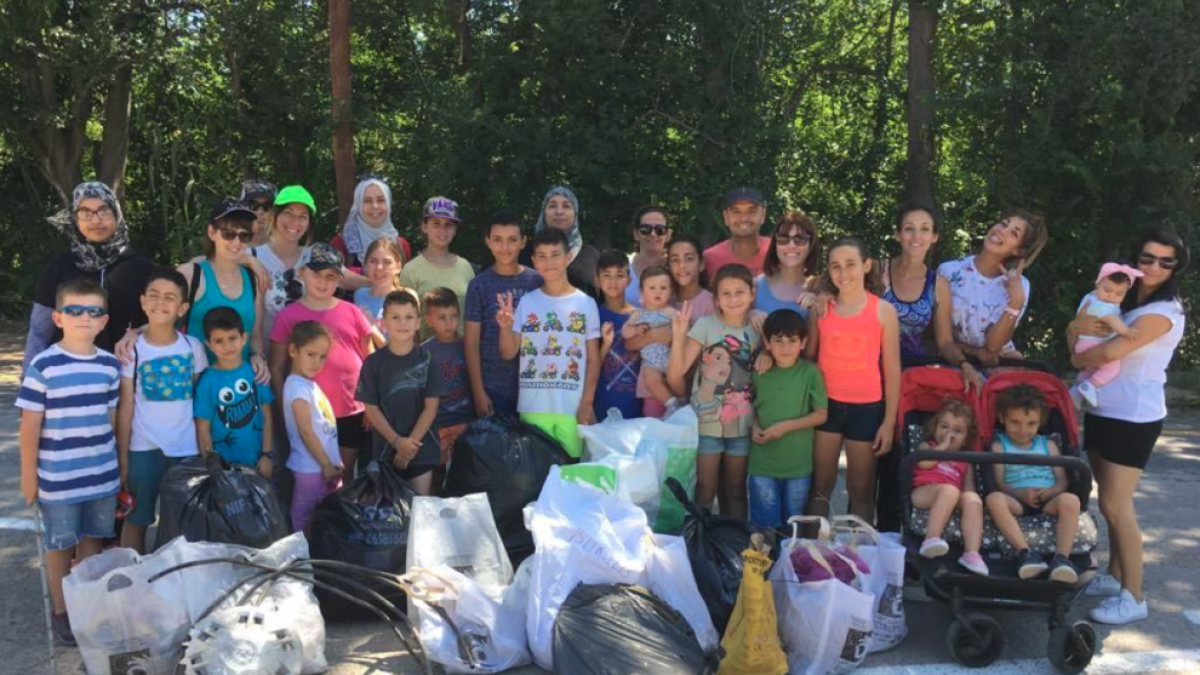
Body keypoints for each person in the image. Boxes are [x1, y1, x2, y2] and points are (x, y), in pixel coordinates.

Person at [1068, 225, 1188, 625]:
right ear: (1135, 261)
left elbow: (1104, 352)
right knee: (1108, 501)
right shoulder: (1123, 300)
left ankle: (1133, 597)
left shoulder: (1162, 313)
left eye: (1165, 261)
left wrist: (1078, 353)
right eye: (1147, 258)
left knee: (1117, 507)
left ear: (1175, 268)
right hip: (1102, 410)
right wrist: (1078, 341)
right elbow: (1076, 331)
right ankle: (1115, 575)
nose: (1154, 266)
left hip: (1133, 417)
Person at [18, 277, 121, 646]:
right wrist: (29, 476)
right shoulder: (44, 366)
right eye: (75, 311)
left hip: (100, 477)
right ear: (59, 318)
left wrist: (115, 468)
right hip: (58, 480)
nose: (84, 318)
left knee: (92, 542)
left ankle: (87, 606)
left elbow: (110, 420)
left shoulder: (109, 366)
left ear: (103, 321)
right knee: (61, 545)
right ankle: (63, 610)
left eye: (93, 311)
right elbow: (29, 426)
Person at [805, 238, 901, 524]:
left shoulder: (884, 311)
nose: (843, 272)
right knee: (820, 486)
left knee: (860, 490)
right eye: (835, 266)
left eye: (850, 264)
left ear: (866, 265)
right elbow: (808, 360)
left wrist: (888, 422)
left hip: (868, 409)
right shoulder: (820, 309)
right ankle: (811, 555)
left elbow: (892, 370)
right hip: (825, 406)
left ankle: (857, 560)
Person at [116, 268, 208, 553]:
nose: (160, 303)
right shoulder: (132, 349)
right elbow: (126, 406)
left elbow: (196, 397)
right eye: (153, 296)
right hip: (143, 448)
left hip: (185, 450)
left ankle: (173, 583)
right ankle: (134, 581)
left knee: (181, 523)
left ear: (182, 308)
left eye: (170, 298)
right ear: (143, 301)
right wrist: (123, 458)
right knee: (138, 518)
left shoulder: (193, 347)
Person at [271, 243, 379, 483]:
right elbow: (277, 368)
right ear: (301, 273)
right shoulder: (287, 317)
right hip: (309, 414)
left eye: (331, 276)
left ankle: (340, 518)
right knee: (312, 474)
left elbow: (370, 359)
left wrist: (372, 404)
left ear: (340, 280)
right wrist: (282, 408)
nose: (323, 282)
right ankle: (310, 521)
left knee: (345, 472)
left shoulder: (352, 311)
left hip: (353, 408)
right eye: (316, 274)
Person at [25, 182, 153, 372]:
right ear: (75, 219)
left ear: (117, 215)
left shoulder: (141, 268)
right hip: (66, 378)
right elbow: (39, 331)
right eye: (85, 212)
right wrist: (30, 379)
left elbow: (160, 323)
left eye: (103, 211)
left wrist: (138, 331)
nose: (95, 221)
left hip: (126, 378)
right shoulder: (60, 268)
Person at [498, 228, 601, 458]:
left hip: (571, 407)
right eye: (542, 256)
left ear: (568, 257)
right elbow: (508, 353)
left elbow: (593, 358)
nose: (549, 261)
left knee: (571, 470)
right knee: (537, 475)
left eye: (555, 254)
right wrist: (505, 328)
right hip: (533, 407)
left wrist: (587, 402)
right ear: (534, 261)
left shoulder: (586, 303)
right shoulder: (527, 301)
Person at [667, 264, 760, 520]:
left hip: (742, 425)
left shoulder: (758, 329)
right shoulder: (706, 326)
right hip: (706, 425)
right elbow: (677, 371)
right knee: (705, 490)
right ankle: (701, 543)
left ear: (752, 294)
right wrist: (678, 335)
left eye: (739, 292)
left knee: (737, 491)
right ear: (716, 299)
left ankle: (735, 543)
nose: (733, 299)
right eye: (726, 293)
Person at [935, 209, 1048, 393]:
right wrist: (974, 353)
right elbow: (940, 336)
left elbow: (994, 346)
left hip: (1001, 368)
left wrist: (1016, 302)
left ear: (1018, 250)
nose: (1002, 230)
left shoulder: (1020, 286)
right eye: (1003, 224)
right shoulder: (948, 271)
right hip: (954, 364)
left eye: (1014, 233)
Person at [984, 384, 1080, 584]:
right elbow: (1000, 483)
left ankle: (1062, 559)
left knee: (1071, 500)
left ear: (1040, 423)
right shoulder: (999, 446)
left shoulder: (1049, 445)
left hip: (1049, 499)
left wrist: (1051, 492)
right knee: (994, 499)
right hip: (1016, 499)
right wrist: (1020, 494)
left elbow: (1063, 480)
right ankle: (1025, 553)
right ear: (1002, 418)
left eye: (1031, 423)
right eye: (1015, 422)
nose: (1022, 430)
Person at [358, 290, 444, 495]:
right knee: (391, 515)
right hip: (386, 450)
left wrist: (408, 448)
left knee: (419, 508)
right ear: (384, 322)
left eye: (409, 317)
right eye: (395, 317)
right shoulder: (372, 364)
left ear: (417, 322)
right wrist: (397, 442)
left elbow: (431, 408)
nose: (402, 323)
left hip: (420, 449)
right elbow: (371, 408)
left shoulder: (429, 360)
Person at [748, 310, 828, 530]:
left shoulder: (810, 373)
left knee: (792, 526)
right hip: (762, 463)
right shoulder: (759, 371)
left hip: (798, 466)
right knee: (765, 526)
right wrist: (754, 427)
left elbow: (821, 414)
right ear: (767, 342)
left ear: (803, 343)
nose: (785, 347)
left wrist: (786, 427)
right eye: (778, 341)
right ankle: (766, 565)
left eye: (792, 340)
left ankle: (789, 565)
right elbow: (750, 406)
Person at [464, 211, 543, 417]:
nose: (505, 247)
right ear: (488, 242)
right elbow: (471, 342)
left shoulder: (537, 282)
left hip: (534, 387)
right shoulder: (478, 285)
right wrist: (478, 392)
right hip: (493, 388)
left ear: (523, 242)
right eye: (498, 240)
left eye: (512, 240)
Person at [180, 199, 268, 377]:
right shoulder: (191, 275)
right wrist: (134, 334)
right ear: (212, 232)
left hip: (237, 387)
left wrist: (259, 357)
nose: (236, 243)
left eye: (245, 236)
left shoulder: (253, 280)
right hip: (194, 385)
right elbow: (162, 320)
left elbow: (256, 336)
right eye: (228, 234)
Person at [911, 398, 988, 576]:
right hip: (924, 492)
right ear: (935, 427)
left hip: (951, 496)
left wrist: (971, 502)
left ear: (966, 437)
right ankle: (931, 538)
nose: (949, 433)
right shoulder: (927, 446)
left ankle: (972, 553)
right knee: (949, 490)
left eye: (957, 430)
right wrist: (943, 447)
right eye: (944, 426)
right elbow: (923, 463)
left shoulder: (965, 461)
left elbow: (968, 488)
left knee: (972, 498)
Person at [194, 306, 275, 473]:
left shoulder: (255, 372)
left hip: (258, 463)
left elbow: (266, 415)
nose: (227, 346)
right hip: (224, 470)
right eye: (219, 341)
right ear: (209, 344)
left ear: (244, 338)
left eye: (232, 338)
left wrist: (267, 455)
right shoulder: (207, 382)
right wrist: (213, 469)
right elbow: (202, 428)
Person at [282, 321, 342, 533]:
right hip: (311, 468)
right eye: (311, 354)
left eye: (323, 356)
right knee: (301, 518)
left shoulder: (308, 384)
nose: (317, 362)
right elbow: (306, 431)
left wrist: (333, 462)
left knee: (320, 519)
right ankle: (298, 561)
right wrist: (326, 464)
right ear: (293, 350)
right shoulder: (297, 387)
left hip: (323, 468)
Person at [1069, 262, 1144, 408]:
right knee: (1111, 368)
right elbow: (1111, 319)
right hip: (1094, 343)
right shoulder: (1101, 304)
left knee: (1091, 369)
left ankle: (1075, 392)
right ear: (1098, 283)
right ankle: (1090, 386)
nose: (1111, 296)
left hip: (1083, 343)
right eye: (1107, 290)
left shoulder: (1089, 297)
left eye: (1119, 293)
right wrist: (1126, 331)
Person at [399, 196, 475, 339]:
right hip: (426, 353)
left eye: (448, 225)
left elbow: (472, 316)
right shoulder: (410, 270)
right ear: (424, 226)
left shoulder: (465, 267)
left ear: (455, 229)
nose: (443, 230)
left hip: (462, 352)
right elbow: (406, 321)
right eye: (436, 224)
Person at [422, 288, 475, 478]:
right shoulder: (425, 352)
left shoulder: (468, 345)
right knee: (436, 474)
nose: (449, 323)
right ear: (429, 320)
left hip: (466, 421)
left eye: (453, 316)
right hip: (439, 424)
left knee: (463, 475)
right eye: (441, 317)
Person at [252, 185, 317, 343]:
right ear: (274, 216)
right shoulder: (254, 255)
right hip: (266, 358)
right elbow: (217, 260)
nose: (296, 222)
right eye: (288, 213)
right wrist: (248, 260)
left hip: (307, 359)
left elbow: (347, 277)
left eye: (303, 216)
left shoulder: (315, 255)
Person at [884, 203, 948, 359]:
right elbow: (831, 284)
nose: (916, 236)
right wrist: (826, 294)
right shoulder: (874, 271)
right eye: (909, 228)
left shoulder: (938, 285)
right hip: (869, 369)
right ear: (897, 234)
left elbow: (946, 343)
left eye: (925, 229)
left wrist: (963, 364)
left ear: (934, 237)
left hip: (913, 372)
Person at [520, 186, 600, 298]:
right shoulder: (526, 252)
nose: (559, 211)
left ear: (575, 213)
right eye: (552, 206)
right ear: (544, 212)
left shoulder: (590, 255)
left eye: (566, 206)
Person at [622, 265, 678, 418]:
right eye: (652, 287)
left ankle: (676, 404)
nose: (658, 291)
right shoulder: (638, 315)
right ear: (642, 292)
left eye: (663, 287)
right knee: (650, 378)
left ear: (671, 291)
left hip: (671, 361)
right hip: (651, 363)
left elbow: (684, 332)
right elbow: (625, 333)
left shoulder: (673, 313)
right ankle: (671, 404)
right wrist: (634, 331)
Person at [593, 250, 642, 422]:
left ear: (629, 280)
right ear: (597, 280)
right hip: (603, 404)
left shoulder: (641, 316)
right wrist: (605, 345)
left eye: (619, 275)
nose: (613, 281)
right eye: (607, 275)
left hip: (637, 404)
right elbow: (590, 366)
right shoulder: (593, 315)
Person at [332, 176, 413, 267]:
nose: (375, 206)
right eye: (367, 201)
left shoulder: (402, 245)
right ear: (358, 205)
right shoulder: (342, 243)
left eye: (381, 200)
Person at [754, 210, 821, 320]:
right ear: (775, 244)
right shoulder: (755, 286)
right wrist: (748, 314)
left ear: (811, 245)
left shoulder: (820, 288)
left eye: (800, 239)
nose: (791, 245)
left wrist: (818, 302)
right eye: (783, 238)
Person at [703, 187, 772, 278]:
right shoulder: (709, 258)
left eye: (751, 211)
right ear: (726, 217)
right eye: (736, 212)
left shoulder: (778, 251)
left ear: (763, 215)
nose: (744, 218)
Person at [353, 238, 415, 332]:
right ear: (365, 266)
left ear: (398, 267)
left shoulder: (407, 298)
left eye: (387, 262)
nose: (379, 267)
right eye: (373, 261)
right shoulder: (359, 295)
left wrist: (372, 327)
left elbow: (403, 344)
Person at [626, 205, 672, 307]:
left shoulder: (677, 269)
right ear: (636, 234)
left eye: (659, 229)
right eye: (645, 229)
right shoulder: (622, 267)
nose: (653, 234)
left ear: (668, 234)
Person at [667, 234, 716, 323]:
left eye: (689, 258)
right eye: (675, 260)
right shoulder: (661, 297)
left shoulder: (711, 304)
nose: (682, 265)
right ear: (668, 266)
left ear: (701, 264)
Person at [239, 178, 277, 247]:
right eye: (253, 205)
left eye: (267, 206)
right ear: (242, 208)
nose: (260, 211)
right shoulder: (231, 246)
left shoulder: (281, 248)